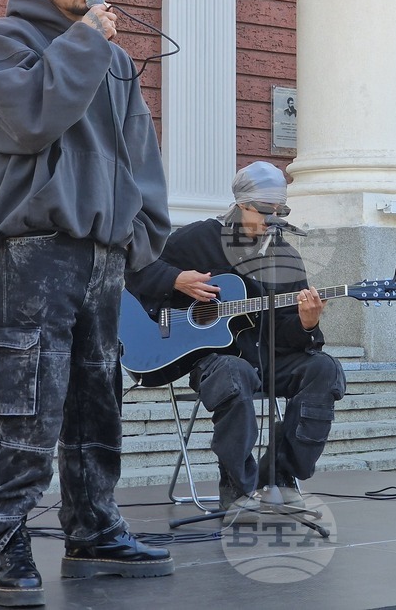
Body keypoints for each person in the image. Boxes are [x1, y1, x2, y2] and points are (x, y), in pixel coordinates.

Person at [0, 0, 173, 607]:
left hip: (103, 254)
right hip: (38, 250)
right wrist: (87, 40)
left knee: (96, 399)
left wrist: (141, 235)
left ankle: (93, 525)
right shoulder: (8, 42)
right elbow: (30, 119)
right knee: (27, 395)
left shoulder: (113, 59)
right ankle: (9, 534)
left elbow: (139, 158)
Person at [126, 161, 346, 522]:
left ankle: (278, 477)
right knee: (234, 372)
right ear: (242, 204)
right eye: (265, 211)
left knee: (323, 369)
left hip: (269, 358)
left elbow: (288, 331)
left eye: (282, 211)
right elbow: (136, 269)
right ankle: (236, 487)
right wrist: (176, 279)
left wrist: (307, 324)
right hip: (214, 360)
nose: (274, 219)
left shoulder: (285, 257)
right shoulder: (198, 238)